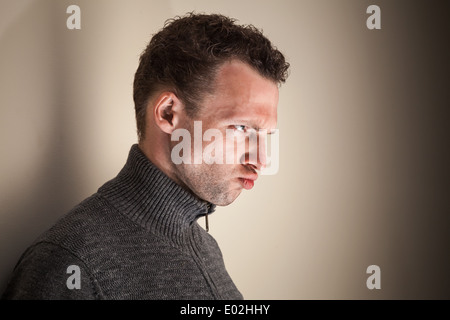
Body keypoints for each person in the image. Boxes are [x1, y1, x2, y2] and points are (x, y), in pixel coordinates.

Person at [2, 12, 289, 300]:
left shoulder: (205, 246)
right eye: (241, 128)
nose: (262, 160)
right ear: (168, 114)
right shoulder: (69, 264)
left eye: (266, 135)